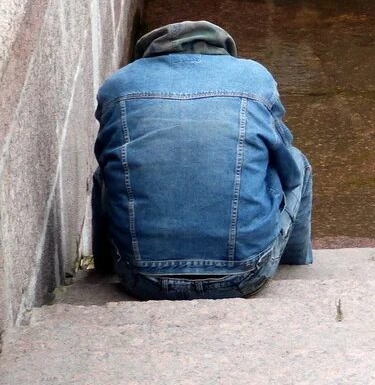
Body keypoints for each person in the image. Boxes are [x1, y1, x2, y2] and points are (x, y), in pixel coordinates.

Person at [91, 20, 313, 299]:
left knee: (106, 175)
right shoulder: (254, 77)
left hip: (141, 278)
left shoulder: (119, 84)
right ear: (222, 49)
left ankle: (102, 269)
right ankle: (295, 263)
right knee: (297, 162)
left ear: (148, 53)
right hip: (244, 275)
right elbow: (287, 167)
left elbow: (107, 162)